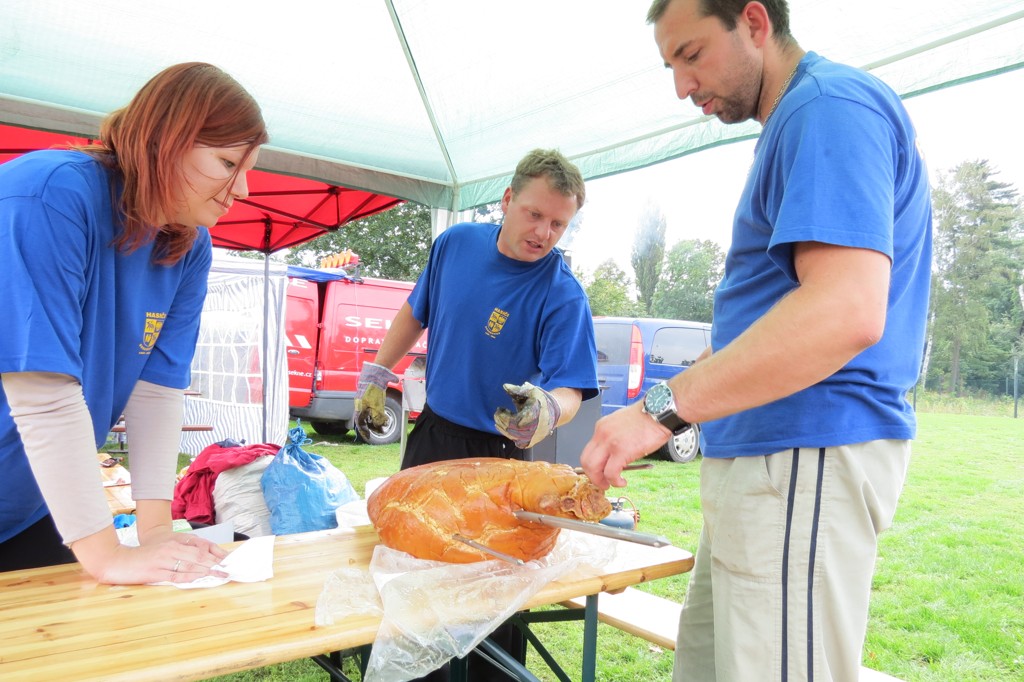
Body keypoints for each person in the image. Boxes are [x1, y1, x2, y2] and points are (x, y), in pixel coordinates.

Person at [581, 2, 933, 681]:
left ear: (754, 21)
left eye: (692, 55)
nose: (682, 86)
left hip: (804, 451)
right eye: (670, 66)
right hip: (770, 462)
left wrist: (656, 412)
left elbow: (845, 312)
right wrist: (656, 407)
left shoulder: (827, 108)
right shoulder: (797, 123)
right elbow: (756, 329)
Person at [0, 62, 268, 585]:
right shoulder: (50, 195)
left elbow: (157, 391)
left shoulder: (189, 245)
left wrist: (154, 532)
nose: (245, 189)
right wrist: (107, 556)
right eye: (228, 162)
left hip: (29, 505)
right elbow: (42, 389)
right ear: (167, 141)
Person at [355, 148, 599, 681]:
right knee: (413, 577)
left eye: (559, 223)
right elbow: (413, 311)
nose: (544, 232)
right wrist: (377, 373)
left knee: (491, 601)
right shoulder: (455, 245)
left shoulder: (562, 295)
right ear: (507, 200)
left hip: (502, 460)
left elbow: (572, 389)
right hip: (433, 437)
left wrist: (546, 411)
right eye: (535, 214)